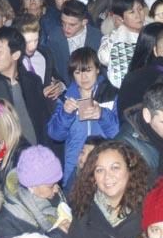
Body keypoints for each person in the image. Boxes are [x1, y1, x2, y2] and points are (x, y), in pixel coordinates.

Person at [46, 48, 119, 188]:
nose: (83, 77)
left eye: (88, 70)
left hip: (106, 169)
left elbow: (118, 134)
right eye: (78, 72)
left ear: (98, 69)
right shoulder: (66, 98)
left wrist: (102, 114)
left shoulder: (111, 95)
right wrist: (66, 114)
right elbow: (55, 135)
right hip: (75, 168)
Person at [0, 145, 73, 238]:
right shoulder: (7, 219)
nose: (57, 189)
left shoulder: (56, 197)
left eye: (57, 183)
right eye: (51, 185)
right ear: (32, 186)